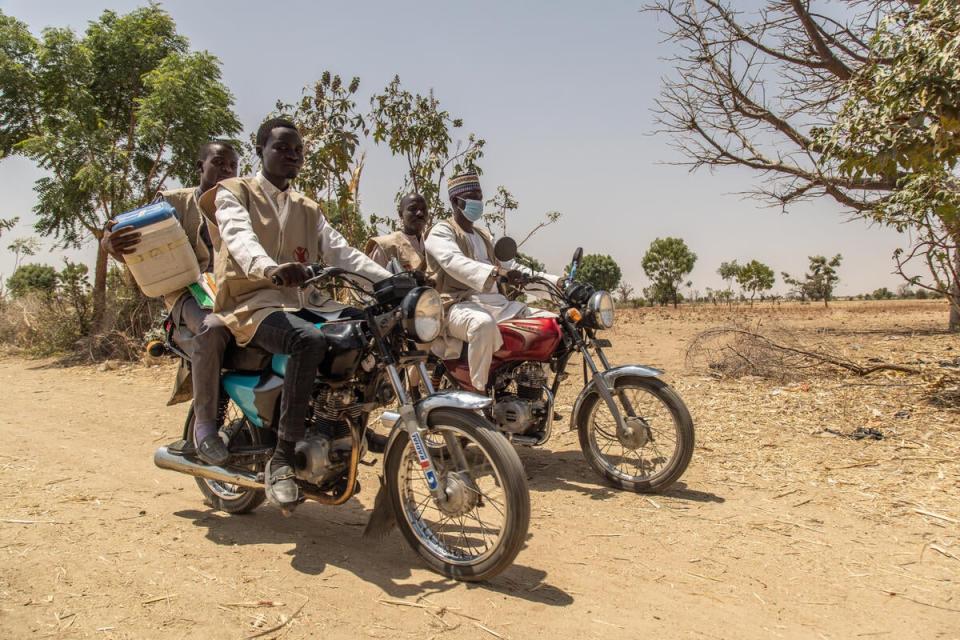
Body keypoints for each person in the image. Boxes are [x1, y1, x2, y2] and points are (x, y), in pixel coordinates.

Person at [199, 117, 392, 511]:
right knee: (309, 341)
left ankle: (353, 422)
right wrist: (268, 267)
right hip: (251, 302)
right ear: (260, 150)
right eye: (282, 148)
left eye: (298, 150)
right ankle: (283, 459)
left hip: (304, 301)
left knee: (371, 326)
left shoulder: (307, 207)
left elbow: (342, 251)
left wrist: (393, 281)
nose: (292, 155)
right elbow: (238, 237)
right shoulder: (233, 193)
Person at [101, 141, 240, 466]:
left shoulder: (240, 206)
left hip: (234, 291)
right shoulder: (175, 202)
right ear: (200, 166)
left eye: (233, 166)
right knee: (211, 328)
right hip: (188, 293)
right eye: (219, 163)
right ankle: (204, 431)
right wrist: (111, 243)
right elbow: (128, 233)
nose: (227, 171)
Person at [424, 170, 560, 391]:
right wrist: (496, 273)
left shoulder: (484, 235)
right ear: (455, 201)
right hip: (458, 306)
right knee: (482, 325)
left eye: (479, 196)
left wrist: (556, 283)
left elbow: (512, 267)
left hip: (499, 305)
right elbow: (454, 262)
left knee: (552, 324)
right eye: (472, 197)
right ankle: (478, 395)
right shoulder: (441, 232)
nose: (478, 201)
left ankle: (534, 392)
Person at [365, 193, 428, 272]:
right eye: (413, 209)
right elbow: (372, 281)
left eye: (423, 209)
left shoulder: (433, 243)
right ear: (401, 214)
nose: (420, 213)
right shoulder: (386, 246)